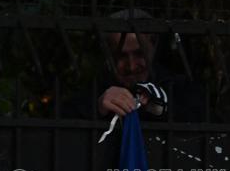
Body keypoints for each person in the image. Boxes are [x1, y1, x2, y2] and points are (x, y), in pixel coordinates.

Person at [63, 9, 207, 123]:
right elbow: (62, 124)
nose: (131, 66)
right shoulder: (95, 92)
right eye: (121, 56)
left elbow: (202, 123)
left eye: (140, 53)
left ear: (154, 46)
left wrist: (163, 109)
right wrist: (98, 109)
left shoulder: (180, 88)